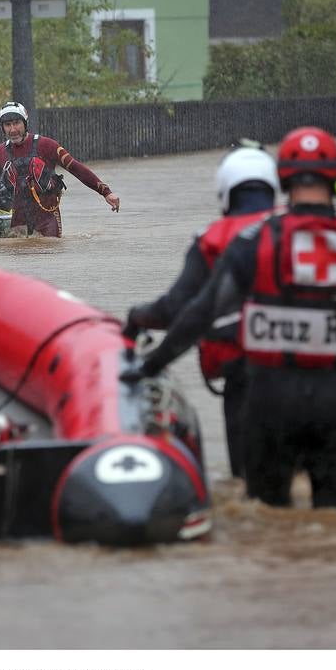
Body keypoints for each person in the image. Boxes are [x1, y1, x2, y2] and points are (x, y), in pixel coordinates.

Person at [121, 126, 336, 508]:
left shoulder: (253, 243)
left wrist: (150, 367)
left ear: (283, 179)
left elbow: (199, 313)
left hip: (269, 406)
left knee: (268, 529)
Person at [122, 142, 283, 478]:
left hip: (245, 381)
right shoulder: (306, 233)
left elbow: (176, 310)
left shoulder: (212, 240)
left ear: (225, 190)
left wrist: (138, 318)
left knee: (250, 487)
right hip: (314, 379)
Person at [0, 102, 121, 236]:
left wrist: (105, 192)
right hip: (19, 217)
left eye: (16, 123)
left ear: (25, 123)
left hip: (47, 217)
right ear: (2, 128)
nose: (12, 129)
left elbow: (76, 168)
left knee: (49, 253)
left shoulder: (47, 145)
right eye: (7, 125)